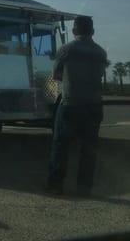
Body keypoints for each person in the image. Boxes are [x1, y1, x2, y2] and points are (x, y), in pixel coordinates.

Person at [46, 16, 108, 197]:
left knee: (60, 145)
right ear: (93, 32)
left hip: (71, 104)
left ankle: (56, 185)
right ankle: (84, 188)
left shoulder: (66, 49)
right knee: (89, 149)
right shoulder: (101, 53)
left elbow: (56, 75)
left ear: (74, 31)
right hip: (94, 105)